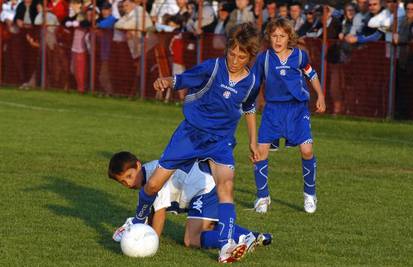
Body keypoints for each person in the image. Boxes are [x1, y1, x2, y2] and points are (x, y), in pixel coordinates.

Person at [131, 23, 260, 263]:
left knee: (226, 188)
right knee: (153, 185)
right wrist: (167, 81)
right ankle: (137, 221)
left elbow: (249, 107)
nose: (234, 59)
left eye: (241, 56)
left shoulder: (251, 81)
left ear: (250, 56)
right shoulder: (213, 68)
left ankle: (226, 246)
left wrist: (253, 141)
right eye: (232, 53)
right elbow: (184, 78)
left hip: (220, 141)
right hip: (191, 134)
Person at [108, 151, 272, 251]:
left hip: (204, 189)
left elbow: (159, 214)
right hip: (204, 186)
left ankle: (239, 241)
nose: (129, 183)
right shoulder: (147, 180)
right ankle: (255, 236)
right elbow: (150, 212)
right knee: (211, 225)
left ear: (138, 165)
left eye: (130, 176)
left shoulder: (154, 177)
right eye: (123, 182)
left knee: (190, 239)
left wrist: (150, 242)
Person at [251, 18, 326, 214]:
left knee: (307, 151)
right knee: (260, 152)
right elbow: (255, 82)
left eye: (282, 36)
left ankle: (310, 194)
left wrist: (320, 95)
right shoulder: (264, 58)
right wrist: (252, 100)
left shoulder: (300, 56)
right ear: (269, 37)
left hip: (297, 109)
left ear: (289, 37)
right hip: (272, 110)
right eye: (274, 36)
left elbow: (311, 74)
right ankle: (262, 196)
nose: (277, 40)